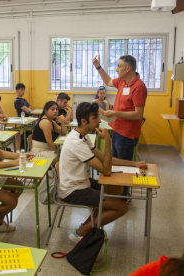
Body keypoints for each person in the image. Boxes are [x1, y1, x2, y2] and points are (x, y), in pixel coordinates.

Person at [59, 102, 147, 243]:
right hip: (73, 190)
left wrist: (134, 164)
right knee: (122, 207)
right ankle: (80, 232)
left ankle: (87, 226)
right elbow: (106, 169)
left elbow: (105, 159)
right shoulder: (76, 142)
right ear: (83, 121)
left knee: (114, 189)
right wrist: (107, 140)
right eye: (95, 118)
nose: (100, 121)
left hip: (82, 182)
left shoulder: (83, 136)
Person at [93, 54, 147, 197]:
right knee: (115, 164)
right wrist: (98, 67)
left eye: (119, 66)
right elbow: (109, 81)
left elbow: (138, 114)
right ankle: (115, 194)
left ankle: (123, 197)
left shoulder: (139, 87)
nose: (116, 70)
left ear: (128, 68)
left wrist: (115, 113)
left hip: (127, 134)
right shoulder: (122, 82)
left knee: (125, 167)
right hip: (117, 130)